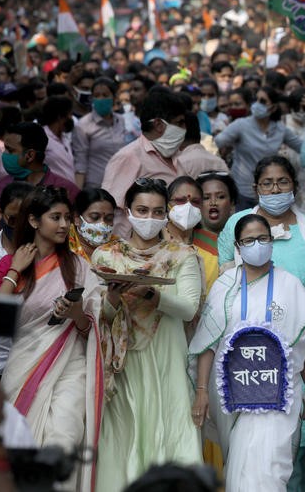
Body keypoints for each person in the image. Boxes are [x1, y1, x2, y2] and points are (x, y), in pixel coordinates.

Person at [216, 156, 305, 492]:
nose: (275, 189)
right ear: (256, 189)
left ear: (294, 187)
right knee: (264, 448)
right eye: (267, 184)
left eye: (282, 182)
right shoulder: (238, 224)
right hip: (256, 357)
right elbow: (225, 286)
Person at [189, 214, 305, 492]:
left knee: (268, 470)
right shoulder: (225, 286)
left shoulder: (289, 285)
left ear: (272, 242)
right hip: (233, 396)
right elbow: (208, 343)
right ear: (238, 246)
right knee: (239, 469)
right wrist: (201, 391)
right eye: (249, 240)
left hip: (280, 395)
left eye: (263, 238)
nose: (257, 245)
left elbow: (301, 345)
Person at [93, 177, 203, 490]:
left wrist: (152, 296)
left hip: (166, 355)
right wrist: (114, 297)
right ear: (127, 211)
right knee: (123, 434)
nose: (149, 219)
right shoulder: (105, 256)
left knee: (171, 429)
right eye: (142, 210)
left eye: (157, 212)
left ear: (167, 213)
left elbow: (189, 309)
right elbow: (100, 314)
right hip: (122, 362)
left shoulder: (182, 255)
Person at [0, 186, 103, 492]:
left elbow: (87, 327)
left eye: (67, 217)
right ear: (33, 221)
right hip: (22, 365)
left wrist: (76, 313)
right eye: (55, 217)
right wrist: (16, 270)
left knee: (65, 437)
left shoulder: (79, 266)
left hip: (71, 364)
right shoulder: (11, 264)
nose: (63, 224)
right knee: (19, 444)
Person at [100, 87, 187, 236]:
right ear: (159, 125)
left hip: (170, 248)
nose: (184, 128)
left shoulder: (179, 155)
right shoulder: (129, 157)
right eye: (179, 123)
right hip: (132, 249)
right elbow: (107, 209)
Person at [0, 122, 80, 239]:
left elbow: (75, 239)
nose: (4, 155)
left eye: (10, 150)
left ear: (30, 155)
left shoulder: (66, 190)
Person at [214, 86, 302, 210]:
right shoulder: (241, 125)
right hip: (243, 190)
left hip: (268, 192)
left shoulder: (280, 129)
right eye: (256, 99)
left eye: (263, 101)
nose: (257, 104)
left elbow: (302, 147)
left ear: (274, 107)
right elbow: (218, 141)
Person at [0, 182, 33, 377]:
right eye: (13, 220)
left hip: (29, 366)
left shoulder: (46, 258)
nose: (20, 227)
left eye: (26, 220)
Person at [71, 77, 126, 189]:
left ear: (114, 97)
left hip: (120, 184)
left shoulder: (120, 121)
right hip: (95, 187)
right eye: (97, 95)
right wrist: (78, 193)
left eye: (105, 95)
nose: (101, 99)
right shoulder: (83, 125)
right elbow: (80, 163)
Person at [37, 95, 76, 184]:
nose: (71, 118)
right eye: (70, 114)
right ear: (60, 117)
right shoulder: (41, 136)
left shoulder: (65, 138)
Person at [72, 187, 117, 261]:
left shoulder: (120, 249)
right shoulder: (64, 250)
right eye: (95, 217)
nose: (103, 224)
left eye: (109, 219)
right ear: (76, 218)